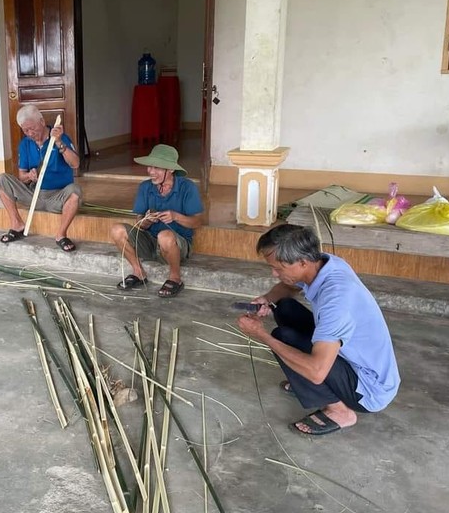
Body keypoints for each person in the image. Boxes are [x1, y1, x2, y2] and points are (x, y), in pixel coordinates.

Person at [236, 225, 401, 436]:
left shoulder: (337, 301)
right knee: (284, 306)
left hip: (368, 390)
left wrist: (262, 335)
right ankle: (308, 383)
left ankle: (340, 411)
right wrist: (267, 300)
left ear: (302, 262)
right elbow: (291, 286)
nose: (274, 273)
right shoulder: (324, 264)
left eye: (279, 268)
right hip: (351, 357)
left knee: (282, 339)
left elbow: (316, 372)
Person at [109, 144, 203, 298]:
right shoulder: (145, 187)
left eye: (157, 168)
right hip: (151, 242)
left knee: (165, 235)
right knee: (117, 229)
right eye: (149, 167)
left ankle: (175, 278)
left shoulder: (187, 187)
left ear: (171, 170)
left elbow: (198, 221)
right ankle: (138, 272)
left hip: (177, 245)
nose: (151, 172)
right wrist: (147, 221)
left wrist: (175, 216)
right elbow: (139, 222)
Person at [0, 104, 81, 252]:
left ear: (41, 121)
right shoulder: (25, 144)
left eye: (31, 128)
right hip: (34, 195)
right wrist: (29, 176)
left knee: (75, 191)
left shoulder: (61, 138)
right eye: (25, 130)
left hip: (58, 197)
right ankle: (17, 224)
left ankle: (61, 235)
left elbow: (75, 164)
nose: (29, 133)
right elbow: (21, 176)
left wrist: (59, 142)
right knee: (2, 179)